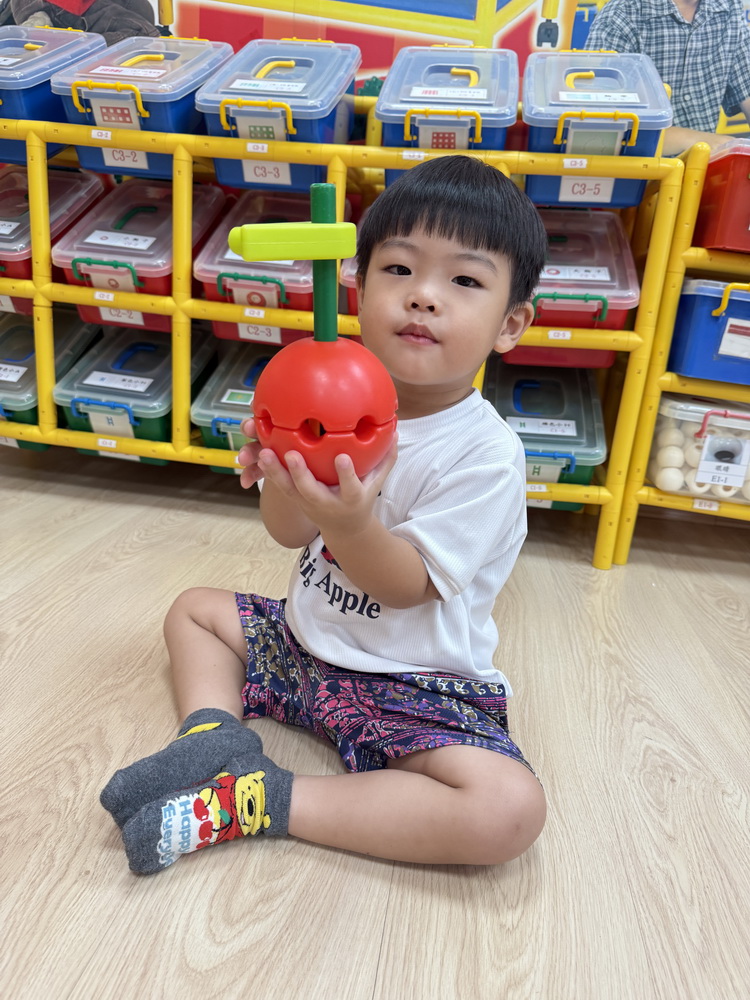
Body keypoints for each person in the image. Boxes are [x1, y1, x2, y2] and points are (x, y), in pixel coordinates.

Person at [100, 155, 548, 875]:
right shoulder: (327, 396)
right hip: (306, 644)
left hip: (411, 683)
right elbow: (288, 534)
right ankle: (211, 738)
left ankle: (262, 799)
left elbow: (406, 586)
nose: (423, 296)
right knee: (194, 611)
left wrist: (350, 523)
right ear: (357, 289)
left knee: (507, 808)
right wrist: (283, 475)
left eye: (464, 281)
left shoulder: (486, 456)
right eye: (399, 269)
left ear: (511, 323)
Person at [584, 0, 750, 154]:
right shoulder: (621, 16)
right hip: (639, 172)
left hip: (702, 168)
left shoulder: (728, 6)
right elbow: (596, 129)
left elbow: (746, 86)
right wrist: (692, 140)